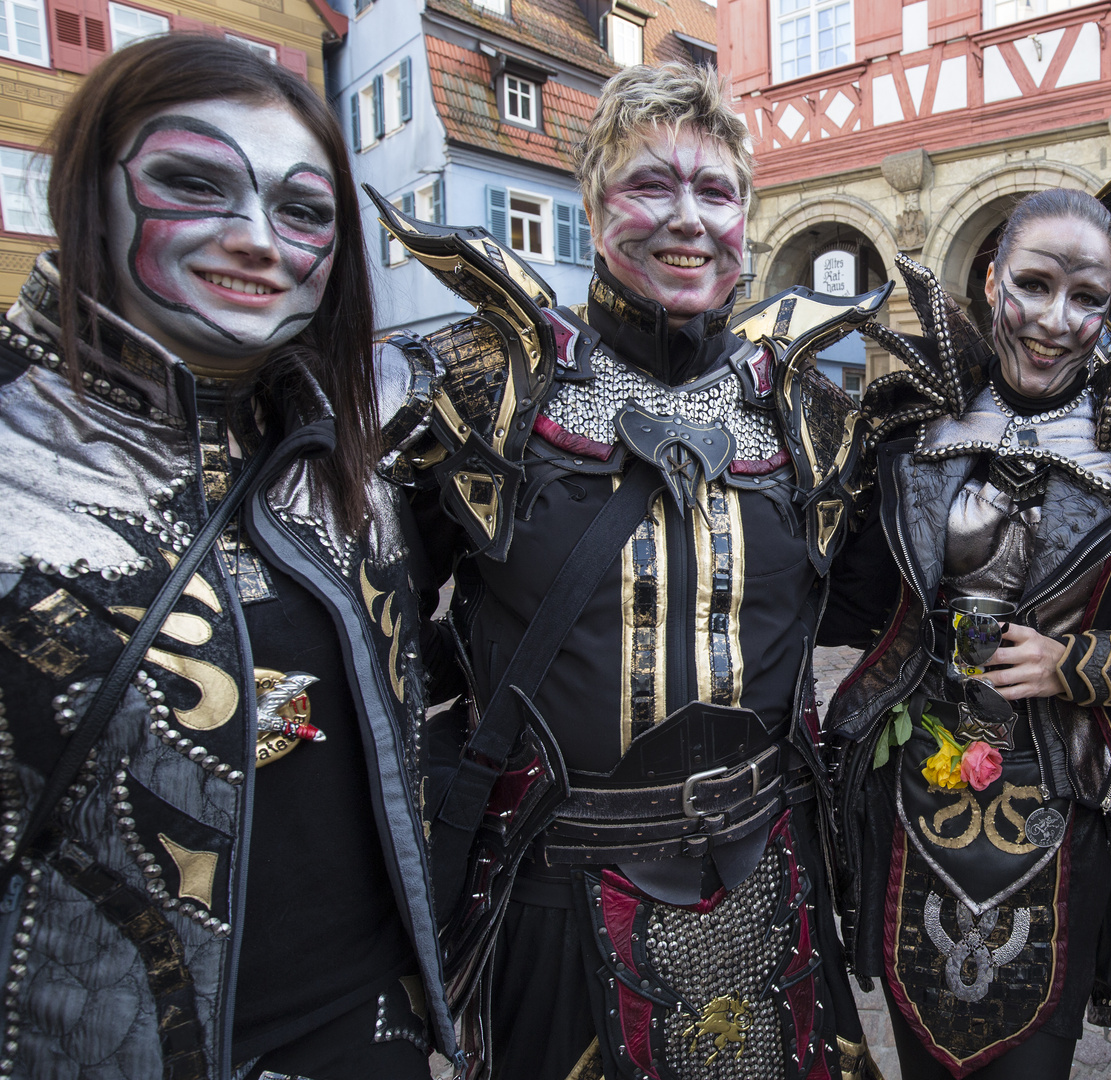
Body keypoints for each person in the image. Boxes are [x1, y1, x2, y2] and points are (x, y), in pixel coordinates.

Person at [375, 61, 886, 1080]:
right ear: (592, 203)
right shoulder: (488, 396)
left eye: (717, 191)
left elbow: (876, 602)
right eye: (650, 186)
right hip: (556, 885)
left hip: (767, 872)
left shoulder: (807, 413)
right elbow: (366, 627)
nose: (687, 220)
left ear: (749, 214)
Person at [0, 34, 456, 1080]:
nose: (256, 239)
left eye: (302, 210)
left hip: (366, 1038)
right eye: (191, 184)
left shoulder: (351, 461)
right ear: (90, 192)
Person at [819, 188, 1111, 1079]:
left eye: (1084, 298)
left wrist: (1071, 663)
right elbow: (850, 604)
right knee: (921, 1044)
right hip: (906, 795)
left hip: (1063, 803)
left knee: (1033, 1046)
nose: (1054, 320)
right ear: (992, 280)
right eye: (1033, 284)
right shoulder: (907, 434)